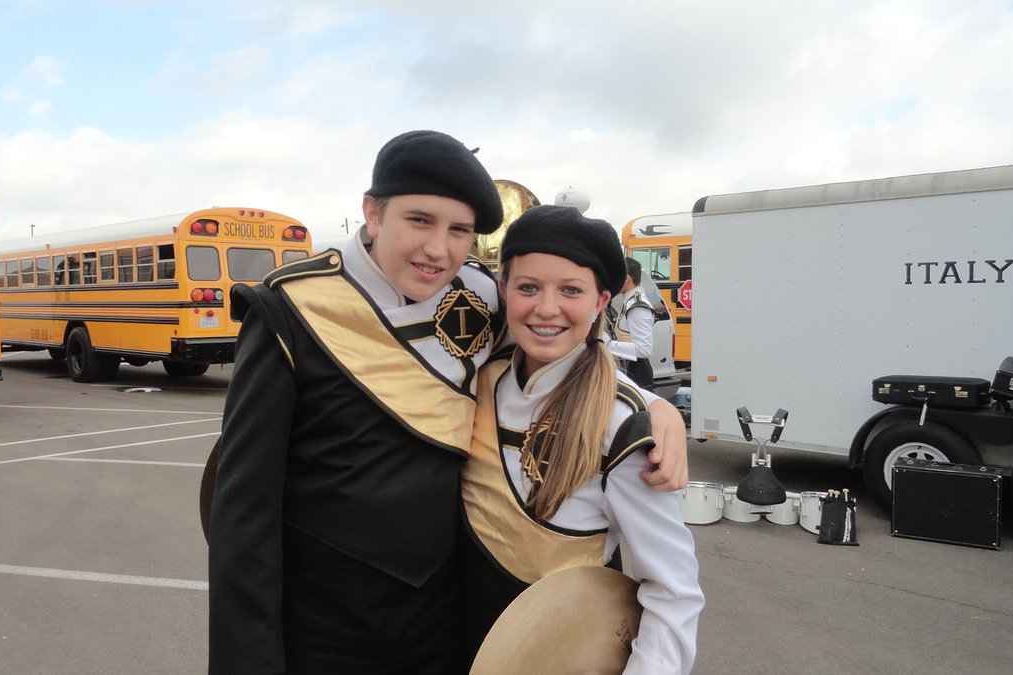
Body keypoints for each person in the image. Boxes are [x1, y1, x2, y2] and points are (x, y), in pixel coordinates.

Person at [207, 130, 689, 673]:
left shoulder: (480, 295)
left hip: (442, 624)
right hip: (323, 627)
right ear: (372, 213)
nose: (438, 249)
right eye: (419, 220)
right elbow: (243, 513)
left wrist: (656, 408)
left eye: (459, 230)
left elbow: (561, 355)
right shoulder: (290, 309)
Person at [460, 205, 703, 674]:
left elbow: (673, 591)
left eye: (571, 290)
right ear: (504, 290)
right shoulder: (481, 381)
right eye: (528, 287)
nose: (547, 308)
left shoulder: (621, 421)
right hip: (462, 644)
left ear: (599, 301)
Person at [605, 256, 656, 389]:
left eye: (615, 276)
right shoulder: (629, 301)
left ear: (626, 278)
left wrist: (608, 345)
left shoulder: (637, 306)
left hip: (636, 378)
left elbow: (644, 349)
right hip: (629, 374)